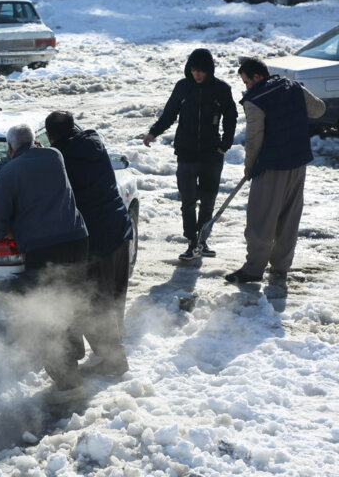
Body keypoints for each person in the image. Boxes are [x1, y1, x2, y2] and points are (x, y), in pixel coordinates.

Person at [0, 123, 89, 401]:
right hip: (77, 241)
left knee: (47, 313)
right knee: (69, 300)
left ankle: (68, 384)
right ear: (35, 141)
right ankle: (74, 358)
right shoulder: (55, 156)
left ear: (10, 148)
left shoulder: (9, 171)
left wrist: (6, 232)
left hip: (44, 248)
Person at [45, 111, 133, 376]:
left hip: (96, 238)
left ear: (50, 136)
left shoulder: (61, 160)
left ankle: (115, 360)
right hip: (119, 228)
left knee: (93, 300)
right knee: (112, 294)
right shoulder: (93, 142)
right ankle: (114, 351)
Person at [225, 58, 326, 283]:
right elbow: (319, 110)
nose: (247, 87)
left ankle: (253, 269)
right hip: (298, 162)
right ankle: (280, 267)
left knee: (261, 218)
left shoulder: (256, 99)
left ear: (257, 77)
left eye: (247, 82)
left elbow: (254, 138)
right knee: (289, 218)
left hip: (271, 166)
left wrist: (249, 166)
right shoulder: (293, 87)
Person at [143, 48, 237, 261]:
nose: (197, 75)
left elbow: (231, 117)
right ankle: (191, 241)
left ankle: (202, 241)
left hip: (212, 154)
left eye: (201, 71)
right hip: (186, 153)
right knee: (188, 200)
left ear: (209, 70)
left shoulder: (221, 89)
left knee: (207, 200)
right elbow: (169, 114)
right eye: (194, 70)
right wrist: (153, 133)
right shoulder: (183, 87)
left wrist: (226, 143)